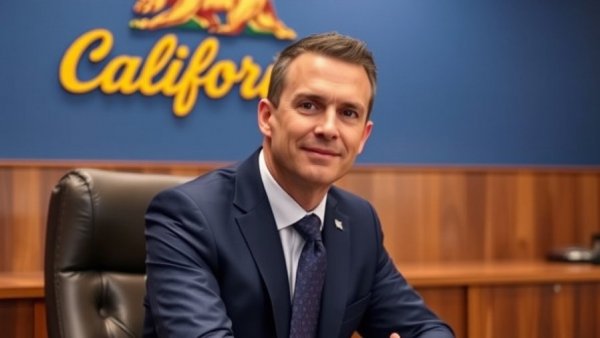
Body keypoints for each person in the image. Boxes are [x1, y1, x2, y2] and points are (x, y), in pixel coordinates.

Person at [143, 32, 454, 338]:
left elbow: (427, 329)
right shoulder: (187, 217)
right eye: (309, 105)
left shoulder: (359, 223)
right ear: (267, 117)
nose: (329, 128)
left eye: (348, 113)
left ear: (363, 136)